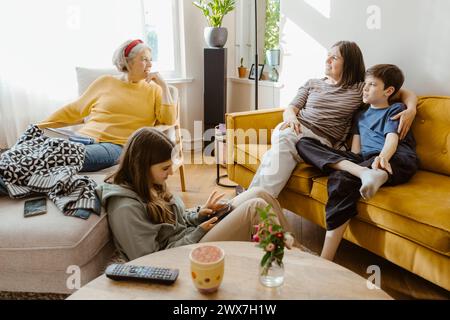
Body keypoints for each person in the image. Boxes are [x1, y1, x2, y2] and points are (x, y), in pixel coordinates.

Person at [247, 41, 417, 198]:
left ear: (348, 64)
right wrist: (292, 119)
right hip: (296, 128)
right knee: (285, 143)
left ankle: (248, 203)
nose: (327, 60)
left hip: (320, 142)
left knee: (277, 154)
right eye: (328, 55)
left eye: (334, 57)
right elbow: (291, 108)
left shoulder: (359, 89)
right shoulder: (312, 83)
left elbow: (401, 92)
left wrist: (411, 109)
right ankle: (254, 205)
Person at [97, 127, 293, 261]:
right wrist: (200, 231)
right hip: (180, 255)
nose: (171, 173)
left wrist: (200, 214)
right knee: (255, 208)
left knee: (259, 192)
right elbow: (150, 259)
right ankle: (294, 260)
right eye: (165, 168)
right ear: (142, 166)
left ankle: (295, 250)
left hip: (188, 236)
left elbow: (175, 221)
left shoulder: (148, 183)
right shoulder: (125, 207)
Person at [296, 64, 419, 260]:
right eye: (366, 84)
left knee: (347, 176)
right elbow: (356, 150)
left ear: (388, 91)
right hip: (365, 159)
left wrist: (382, 159)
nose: (366, 88)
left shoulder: (396, 108)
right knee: (304, 143)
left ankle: (377, 173)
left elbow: (392, 140)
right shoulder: (360, 115)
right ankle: (364, 173)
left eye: (372, 85)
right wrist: (350, 162)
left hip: (395, 156)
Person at [37, 39, 176, 172]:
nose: (150, 64)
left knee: (60, 156)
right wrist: (40, 126)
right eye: (144, 59)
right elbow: (75, 109)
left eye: (150, 60)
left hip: (117, 146)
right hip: (83, 137)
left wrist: (163, 86)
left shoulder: (155, 89)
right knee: (36, 148)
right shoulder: (105, 82)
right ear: (127, 62)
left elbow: (168, 120)